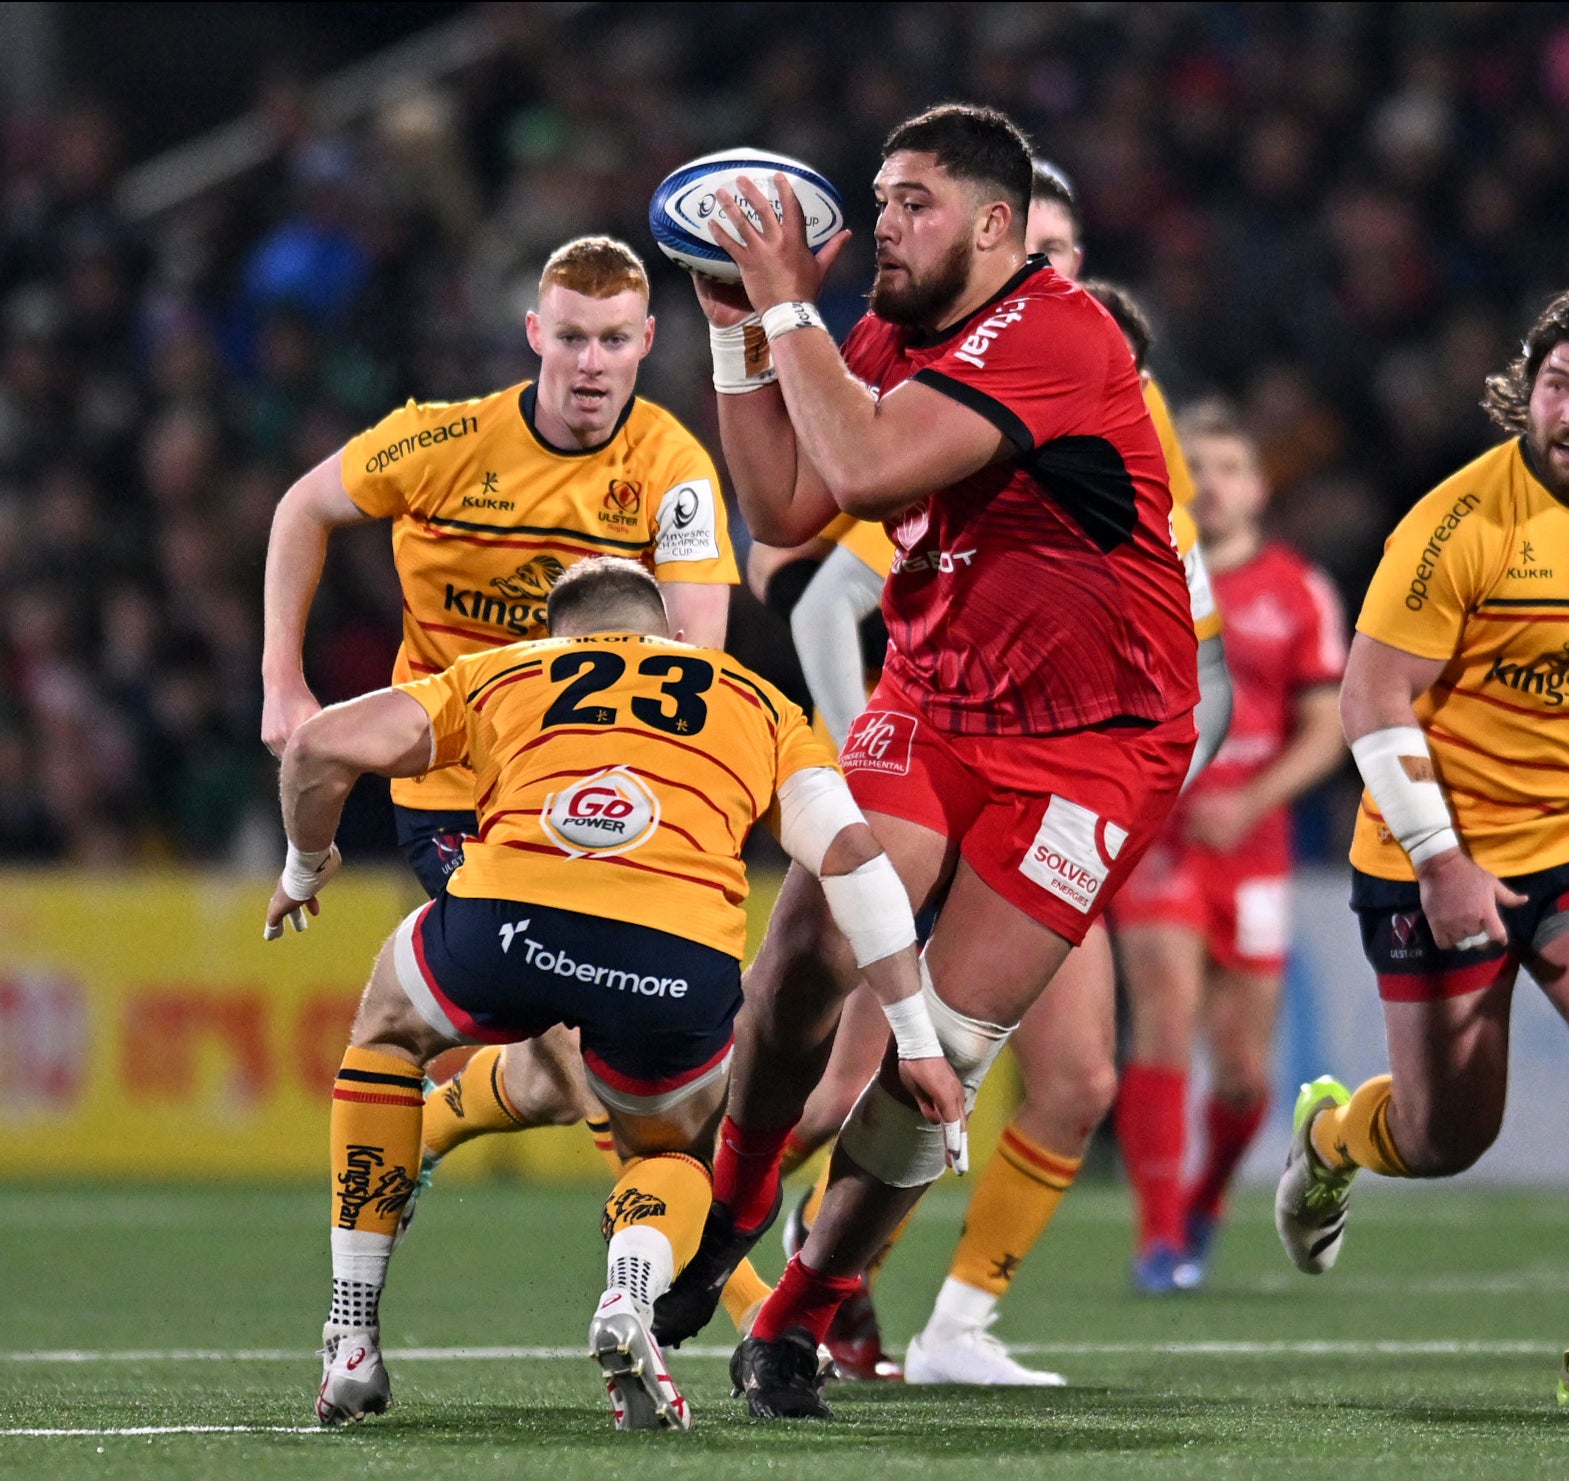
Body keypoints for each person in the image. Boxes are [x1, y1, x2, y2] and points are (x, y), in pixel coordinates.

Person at [661, 104, 1198, 1420]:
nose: (883, 223)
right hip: (939, 698)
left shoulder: (1061, 331)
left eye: (914, 203)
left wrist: (785, 307)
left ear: (998, 228)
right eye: (881, 198)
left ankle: (794, 1316)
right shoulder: (895, 325)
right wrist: (739, 328)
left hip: (1094, 747)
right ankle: (735, 1209)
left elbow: (856, 461)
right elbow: (788, 508)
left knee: (933, 1058)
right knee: (801, 951)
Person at [269, 558, 959, 1430]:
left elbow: (316, 746)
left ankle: (353, 1334)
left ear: (559, 639)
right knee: (671, 1155)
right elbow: (854, 861)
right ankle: (629, 1295)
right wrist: (916, 1035)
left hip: (508, 925)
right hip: (671, 961)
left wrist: (303, 866)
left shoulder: (507, 672)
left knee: (387, 1029)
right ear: (669, 635)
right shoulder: (755, 701)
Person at [1273, 286, 1569, 1410]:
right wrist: (1442, 860)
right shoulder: (1456, 520)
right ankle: (1335, 1137)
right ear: (1523, 388)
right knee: (1446, 1137)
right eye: (1555, 383)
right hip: (1429, 846)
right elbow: (1371, 695)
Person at [772, 266, 1234, 1384]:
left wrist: (1129, 801)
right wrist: (866, 771)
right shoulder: (954, 432)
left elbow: (1204, 671)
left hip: (1056, 793)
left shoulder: (1125, 477)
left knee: (1071, 1080)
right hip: (932, 769)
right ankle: (688, 1217)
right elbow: (827, 598)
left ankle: (952, 1326)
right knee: (845, 1082)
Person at [259, 236, 739, 1184]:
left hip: (587, 789)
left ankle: (438, 1123)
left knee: (566, 1075)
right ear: (534, 334)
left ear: (646, 340)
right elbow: (299, 510)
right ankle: (706, 1289)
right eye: (570, 337)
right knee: (580, 1034)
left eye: (611, 340)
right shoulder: (443, 440)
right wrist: (283, 678)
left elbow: (699, 658)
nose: (590, 364)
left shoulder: (675, 471)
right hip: (451, 783)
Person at [1111, 403, 1348, 1291]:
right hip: (1162, 837)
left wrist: (1250, 798)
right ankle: (1159, 1236)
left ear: (1257, 486)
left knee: (1245, 1075)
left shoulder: (1298, 591)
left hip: (1253, 846)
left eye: (1228, 467)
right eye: (1193, 466)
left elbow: (1326, 727)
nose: (1208, 483)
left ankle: (1204, 1202)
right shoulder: (1144, 575)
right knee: (1165, 1015)